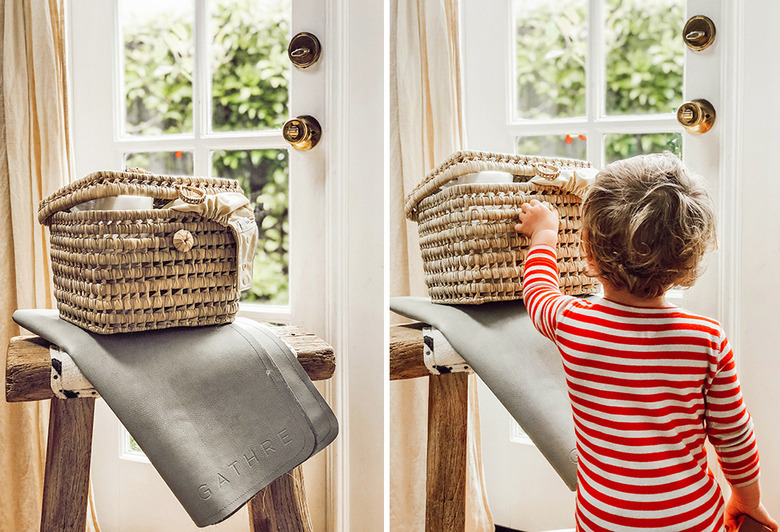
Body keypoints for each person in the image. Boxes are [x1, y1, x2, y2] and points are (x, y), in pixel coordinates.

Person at [514, 153, 777, 532]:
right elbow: (734, 437)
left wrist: (544, 233)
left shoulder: (572, 321)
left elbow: (538, 293)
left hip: (604, 518)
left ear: (588, 251)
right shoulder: (705, 340)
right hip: (692, 518)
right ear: (688, 257)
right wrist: (747, 501)